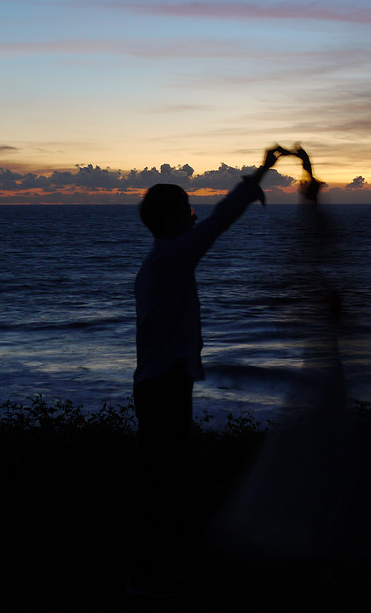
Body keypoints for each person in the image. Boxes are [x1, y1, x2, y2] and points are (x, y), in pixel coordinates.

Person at [128, 145, 285, 596]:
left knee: (164, 478)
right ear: (174, 217)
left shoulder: (158, 263)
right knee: (161, 483)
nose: (194, 216)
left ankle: (160, 567)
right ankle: (150, 576)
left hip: (160, 382)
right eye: (187, 210)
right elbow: (218, 224)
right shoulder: (170, 259)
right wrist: (259, 177)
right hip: (163, 387)